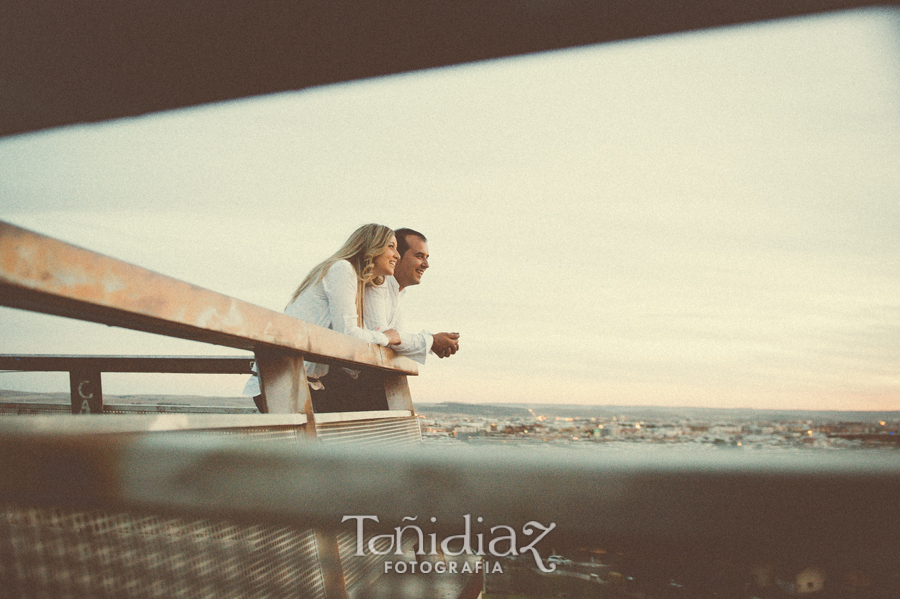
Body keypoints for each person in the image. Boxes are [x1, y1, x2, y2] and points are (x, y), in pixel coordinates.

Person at [244, 224, 402, 413]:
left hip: (299, 382)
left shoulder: (352, 278)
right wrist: (387, 337)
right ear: (371, 246)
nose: (397, 255)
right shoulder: (342, 269)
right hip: (280, 384)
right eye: (391, 246)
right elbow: (348, 335)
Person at [364, 228, 460, 364]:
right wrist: (432, 341)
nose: (426, 265)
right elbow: (382, 336)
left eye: (426, 258)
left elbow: (395, 340)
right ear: (397, 256)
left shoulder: (398, 291)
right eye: (419, 256)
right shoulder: (377, 282)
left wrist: (432, 342)